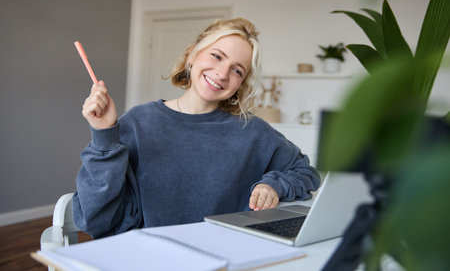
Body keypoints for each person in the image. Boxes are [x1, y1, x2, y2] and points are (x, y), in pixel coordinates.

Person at [73, 18, 321, 238]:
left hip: (229, 257)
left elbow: (306, 172)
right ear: (192, 55)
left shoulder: (253, 131)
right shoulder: (139, 122)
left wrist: (273, 185)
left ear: (240, 84)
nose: (223, 73)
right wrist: (104, 133)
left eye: (237, 70)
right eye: (217, 56)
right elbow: (95, 218)